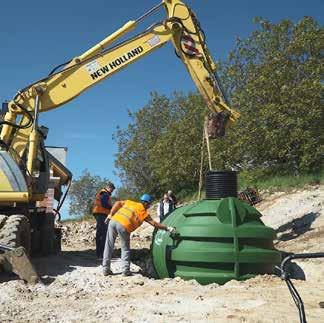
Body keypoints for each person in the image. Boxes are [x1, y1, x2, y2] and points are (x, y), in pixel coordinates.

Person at [102, 193, 176, 276]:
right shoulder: (143, 212)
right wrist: (167, 228)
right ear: (146, 203)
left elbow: (117, 203)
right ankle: (125, 271)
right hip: (124, 226)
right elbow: (155, 224)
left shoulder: (130, 202)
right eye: (149, 204)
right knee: (125, 248)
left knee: (108, 245)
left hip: (113, 221)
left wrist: (110, 214)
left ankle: (105, 269)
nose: (149, 206)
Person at [92, 181, 115, 259]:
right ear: (109, 187)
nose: (112, 191)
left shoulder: (104, 193)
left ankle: (100, 254)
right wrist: (112, 208)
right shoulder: (104, 193)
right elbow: (104, 204)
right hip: (101, 214)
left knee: (101, 234)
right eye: (112, 189)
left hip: (100, 214)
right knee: (103, 234)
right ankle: (101, 254)